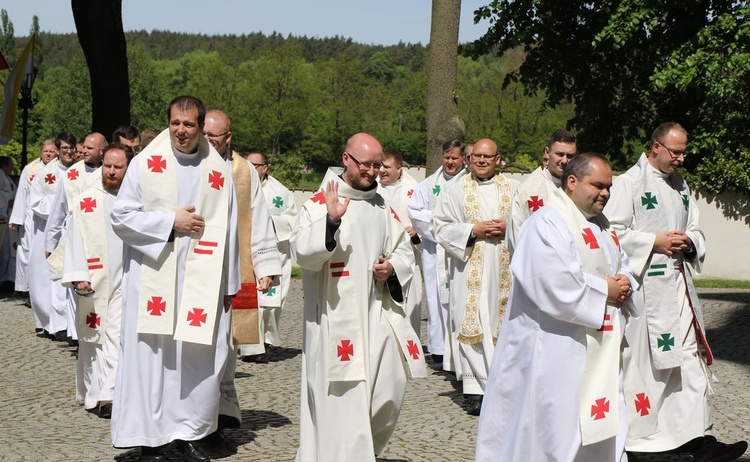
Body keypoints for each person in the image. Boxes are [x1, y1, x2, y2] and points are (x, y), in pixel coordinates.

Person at [476, 153, 637, 461]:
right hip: (553, 349)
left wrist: (626, 282)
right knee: (554, 431)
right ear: (573, 182)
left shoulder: (603, 225)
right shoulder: (546, 223)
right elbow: (552, 284)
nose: (605, 193)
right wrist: (606, 289)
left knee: (599, 421)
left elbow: (622, 263)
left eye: (609, 187)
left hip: (597, 348)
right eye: (598, 185)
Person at [603, 122, 748, 461]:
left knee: (690, 362)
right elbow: (612, 234)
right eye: (676, 152)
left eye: (684, 151)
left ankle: (699, 438)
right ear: (655, 147)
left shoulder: (680, 186)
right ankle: (646, 443)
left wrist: (690, 241)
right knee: (652, 367)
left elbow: (695, 226)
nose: (682, 159)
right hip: (645, 294)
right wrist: (654, 240)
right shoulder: (628, 184)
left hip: (679, 287)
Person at [110, 96, 239, 462]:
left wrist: (229, 283)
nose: (181, 132)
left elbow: (228, 229)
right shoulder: (144, 164)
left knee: (193, 357)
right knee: (153, 358)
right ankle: (151, 437)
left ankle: (187, 433)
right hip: (154, 277)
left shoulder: (218, 171)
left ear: (201, 128)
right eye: (175, 123)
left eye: (189, 125)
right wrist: (170, 223)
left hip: (201, 279)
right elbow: (121, 217)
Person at [291, 133, 425, 462]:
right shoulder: (319, 203)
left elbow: (403, 252)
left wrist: (391, 266)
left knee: (389, 391)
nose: (371, 172)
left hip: (378, 316)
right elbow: (302, 253)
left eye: (377, 165)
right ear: (346, 159)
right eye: (365, 164)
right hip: (333, 323)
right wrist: (331, 222)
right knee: (343, 406)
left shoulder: (382, 205)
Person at [202, 109, 280, 437]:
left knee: (225, 341)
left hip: (232, 268)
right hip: (195, 267)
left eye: (214, 136)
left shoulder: (243, 171)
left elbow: (258, 219)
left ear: (228, 137)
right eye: (203, 133)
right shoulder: (186, 164)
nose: (207, 140)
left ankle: (219, 413)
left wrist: (266, 265)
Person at [431, 138, 518, 415]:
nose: (481, 160)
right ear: (469, 158)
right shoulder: (454, 190)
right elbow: (440, 227)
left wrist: (510, 226)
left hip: (504, 270)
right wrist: (473, 230)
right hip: (468, 270)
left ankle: (502, 387)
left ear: (497, 159)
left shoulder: (514, 189)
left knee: (500, 325)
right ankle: (475, 391)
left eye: (487, 156)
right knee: (472, 326)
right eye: (476, 156)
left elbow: (530, 224)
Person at [62, 143, 134, 418]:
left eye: (118, 167)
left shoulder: (135, 197)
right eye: (108, 166)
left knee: (116, 335)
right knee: (92, 338)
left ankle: (108, 395)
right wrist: (78, 274)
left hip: (125, 276)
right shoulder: (88, 197)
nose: (112, 172)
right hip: (95, 277)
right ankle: (93, 392)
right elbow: (75, 237)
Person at [406, 139, 466, 371]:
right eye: (447, 157)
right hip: (435, 252)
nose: (450, 162)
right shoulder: (428, 185)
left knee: (460, 300)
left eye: (455, 158)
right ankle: (439, 350)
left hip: (462, 251)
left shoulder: (470, 184)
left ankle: (461, 352)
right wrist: (444, 226)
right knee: (436, 299)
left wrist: (454, 229)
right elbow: (415, 212)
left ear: (463, 158)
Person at [45, 131, 107, 344]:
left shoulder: (108, 171)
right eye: (84, 148)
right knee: (74, 283)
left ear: (102, 150)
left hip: (100, 237)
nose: (84, 151)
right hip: (74, 234)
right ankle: (75, 334)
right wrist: (50, 242)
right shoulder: (71, 174)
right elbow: (58, 211)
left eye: (90, 148)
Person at [247, 150, 298, 352]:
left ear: (264, 168)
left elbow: (293, 220)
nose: (250, 169)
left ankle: (266, 341)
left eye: (254, 166)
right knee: (251, 300)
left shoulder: (281, 192)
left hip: (275, 253)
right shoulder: (240, 185)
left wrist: (268, 221)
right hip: (247, 252)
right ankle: (251, 345)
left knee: (271, 302)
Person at [28, 132, 77, 340]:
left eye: (71, 148)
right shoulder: (45, 173)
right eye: (64, 148)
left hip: (71, 230)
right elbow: (36, 202)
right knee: (45, 277)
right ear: (57, 150)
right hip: (47, 229)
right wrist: (59, 206)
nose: (68, 152)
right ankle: (48, 321)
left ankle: (67, 324)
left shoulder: (78, 171)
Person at [507, 128, 577, 253]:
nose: (565, 161)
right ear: (547, 152)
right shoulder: (527, 190)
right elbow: (515, 238)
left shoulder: (581, 186)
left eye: (570, 156)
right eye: (560, 154)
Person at [377, 149, 422, 335]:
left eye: (386, 167)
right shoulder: (372, 187)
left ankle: (410, 345)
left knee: (409, 301)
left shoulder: (415, 189)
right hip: (378, 253)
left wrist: (416, 232)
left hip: (408, 253)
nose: (381, 170)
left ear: (399, 168)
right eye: (380, 165)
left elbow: (427, 221)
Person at [9, 140, 57, 299]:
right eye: (46, 151)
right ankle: (29, 289)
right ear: (41, 152)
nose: (49, 154)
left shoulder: (59, 168)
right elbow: (22, 194)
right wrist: (17, 218)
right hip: (32, 217)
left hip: (52, 214)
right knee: (29, 252)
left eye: (51, 151)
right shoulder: (30, 169)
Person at [0, 156, 17, 291]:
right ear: (4, 166)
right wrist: (8, 202)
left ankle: (6, 279)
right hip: (3, 216)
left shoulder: (9, 180)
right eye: (10, 165)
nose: (11, 168)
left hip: (8, 219)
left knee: (7, 251)